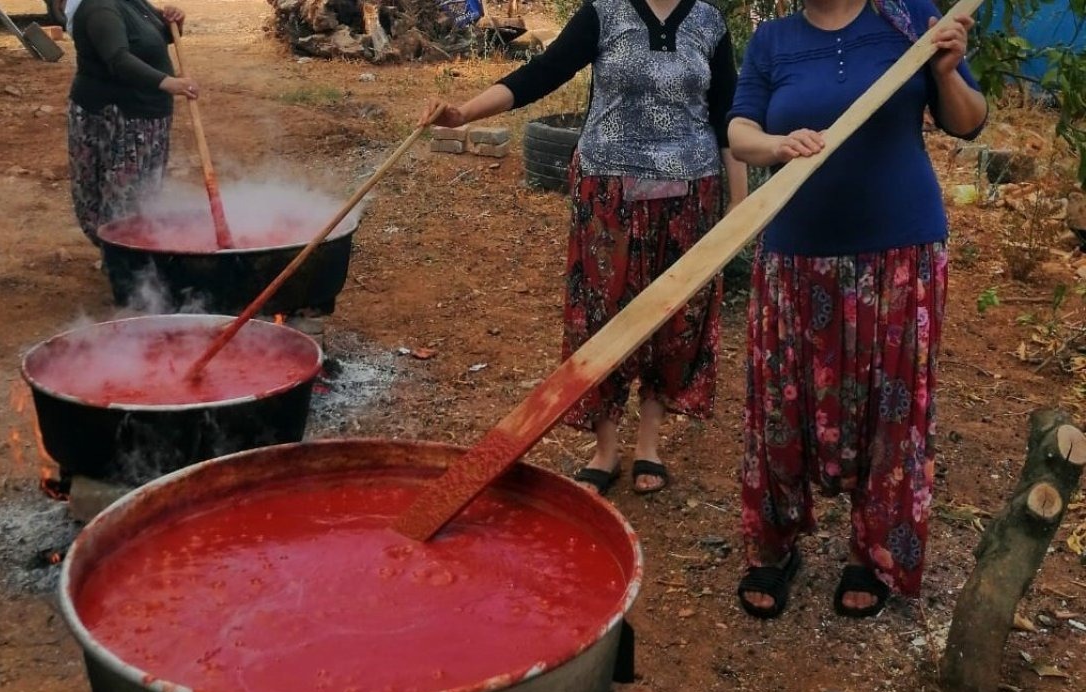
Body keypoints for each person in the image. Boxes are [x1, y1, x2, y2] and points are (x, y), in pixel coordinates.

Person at [422, 0, 748, 495]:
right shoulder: (606, 12)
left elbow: (727, 114)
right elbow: (544, 72)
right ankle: (606, 447)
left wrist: (740, 206)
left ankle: (649, 443)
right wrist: (463, 112)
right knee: (601, 313)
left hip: (690, 196)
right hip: (608, 194)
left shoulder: (709, 21)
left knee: (677, 316)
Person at [729, 0, 987, 619]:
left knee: (890, 409)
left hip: (901, 254)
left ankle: (870, 556)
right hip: (793, 255)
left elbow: (971, 122)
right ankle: (774, 545)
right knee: (779, 406)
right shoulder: (772, 40)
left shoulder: (909, 19)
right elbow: (739, 132)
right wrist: (774, 144)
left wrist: (948, 70)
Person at [64, 0, 198, 247]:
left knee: (140, 195)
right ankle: (121, 257)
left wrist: (175, 23)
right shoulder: (100, 8)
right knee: (121, 198)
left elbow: (146, 40)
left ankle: (130, 253)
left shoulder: (131, 2)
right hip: (119, 118)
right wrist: (167, 82)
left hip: (144, 116)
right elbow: (118, 59)